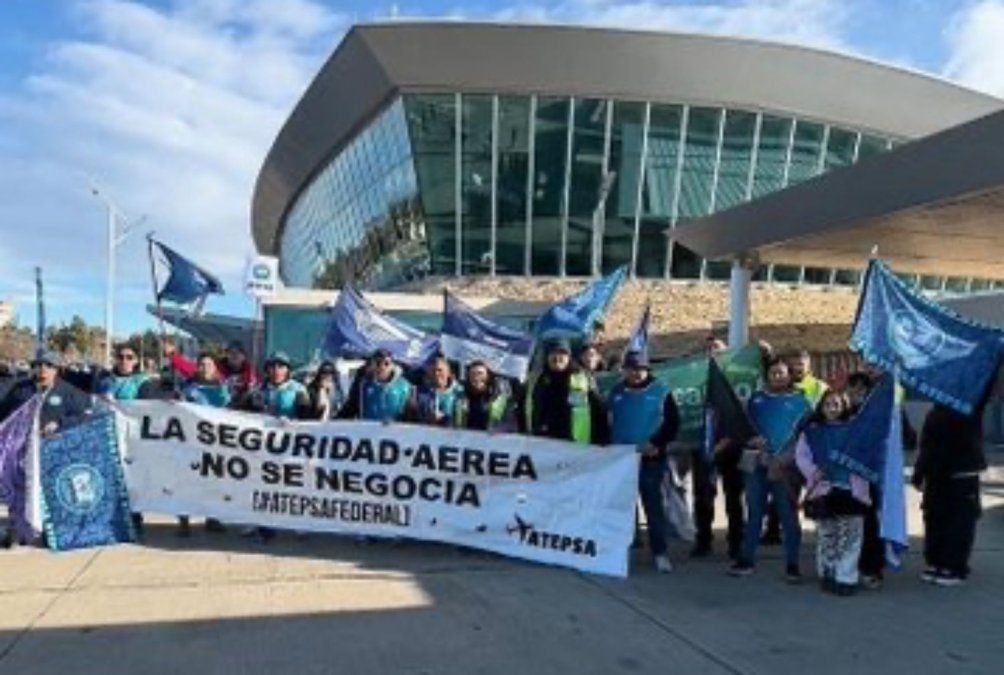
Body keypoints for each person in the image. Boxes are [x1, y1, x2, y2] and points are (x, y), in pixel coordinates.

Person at [729, 357, 810, 581]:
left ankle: (792, 564)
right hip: (756, 465)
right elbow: (742, 430)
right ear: (767, 376)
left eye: (781, 373)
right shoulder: (755, 400)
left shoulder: (802, 402)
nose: (777, 377)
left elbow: (806, 438)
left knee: (788, 515)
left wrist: (784, 460)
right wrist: (754, 444)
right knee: (754, 512)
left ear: (789, 376)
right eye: (773, 373)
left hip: (786, 468)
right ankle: (746, 560)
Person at [608, 351, 680, 573]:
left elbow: (673, 423)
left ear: (648, 370)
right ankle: (622, 550)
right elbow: (607, 421)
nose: (636, 373)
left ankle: (660, 553)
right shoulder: (616, 392)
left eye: (640, 369)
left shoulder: (661, 391)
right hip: (621, 458)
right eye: (631, 369)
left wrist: (656, 444)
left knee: (653, 505)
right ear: (624, 370)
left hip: (650, 458)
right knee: (623, 507)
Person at [796, 389, 870, 596]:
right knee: (828, 535)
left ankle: (846, 576)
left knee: (850, 535)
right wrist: (813, 472)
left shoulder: (857, 430)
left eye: (836, 404)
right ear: (821, 407)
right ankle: (827, 573)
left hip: (852, 490)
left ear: (845, 406)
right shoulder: (812, 431)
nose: (832, 409)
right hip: (824, 489)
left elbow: (868, 455)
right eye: (828, 404)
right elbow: (802, 456)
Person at [913, 402, 987, 586]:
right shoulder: (939, 412)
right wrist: (920, 472)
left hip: (956, 473)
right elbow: (926, 445)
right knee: (939, 518)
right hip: (943, 473)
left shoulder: (966, 408)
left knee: (954, 520)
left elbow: (926, 446)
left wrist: (920, 472)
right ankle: (940, 562)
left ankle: (950, 565)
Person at [691, 336, 745, 560]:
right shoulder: (695, 376)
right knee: (703, 496)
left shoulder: (738, 375)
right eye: (709, 349)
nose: (713, 352)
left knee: (734, 496)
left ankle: (736, 542)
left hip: (731, 446)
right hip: (704, 445)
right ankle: (703, 540)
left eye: (718, 349)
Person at [178, 354, 230, 535]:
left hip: (216, 442)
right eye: (202, 364)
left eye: (209, 364)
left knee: (214, 481)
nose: (205, 367)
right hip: (191, 441)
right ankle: (184, 520)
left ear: (215, 368)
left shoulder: (223, 388)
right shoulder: (188, 388)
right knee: (187, 481)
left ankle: (212, 518)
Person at [521, 339, 608, 445]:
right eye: (553, 353)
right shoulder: (535, 380)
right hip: (538, 442)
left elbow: (599, 411)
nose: (557, 357)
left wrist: (600, 442)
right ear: (547, 356)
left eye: (562, 353)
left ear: (569, 357)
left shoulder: (583, 379)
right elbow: (522, 409)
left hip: (574, 445)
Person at [0, 351, 89, 435]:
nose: (43, 369)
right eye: (39, 365)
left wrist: (59, 423)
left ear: (56, 370)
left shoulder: (69, 392)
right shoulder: (21, 389)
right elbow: (4, 411)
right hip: (22, 439)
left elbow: (84, 416)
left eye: (49, 365)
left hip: (53, 441)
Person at [164, 339, 258, 404]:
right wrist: (172, 355)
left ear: (244, 356)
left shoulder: (250, 373)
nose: (234, 355)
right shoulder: (218, 368)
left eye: (238, 353)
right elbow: (192, 369)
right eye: (231, 352)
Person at [337, 349, 415, 422]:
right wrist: (335, 424)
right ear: (372, 365)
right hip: (368, 429)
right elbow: (350, 408)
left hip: (396, 430)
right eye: (378, 363)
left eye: (386, 364)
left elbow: (411, 415)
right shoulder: (363, 385)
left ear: (392, 366)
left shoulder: (404, 387)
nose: (382, 367)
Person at [452, 361, 515, 432]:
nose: (476, 377)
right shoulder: (461, 397)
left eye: (480, 373)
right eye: (473, 374)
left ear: (488, 376)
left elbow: (509, 423)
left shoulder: (499, 398)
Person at [258, 352, 310, 419]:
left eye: (281, 367)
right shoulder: (258, 391)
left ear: (288, 370)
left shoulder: (299, 390)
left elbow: (306, 417)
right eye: (272, 366)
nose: (276, 370)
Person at [415, 356, 463, 427]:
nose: (436, 373)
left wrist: (445, 418)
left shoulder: (460, 393)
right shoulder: (418, 392)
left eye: (440, 370)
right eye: (433, 370)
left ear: (448, 373)